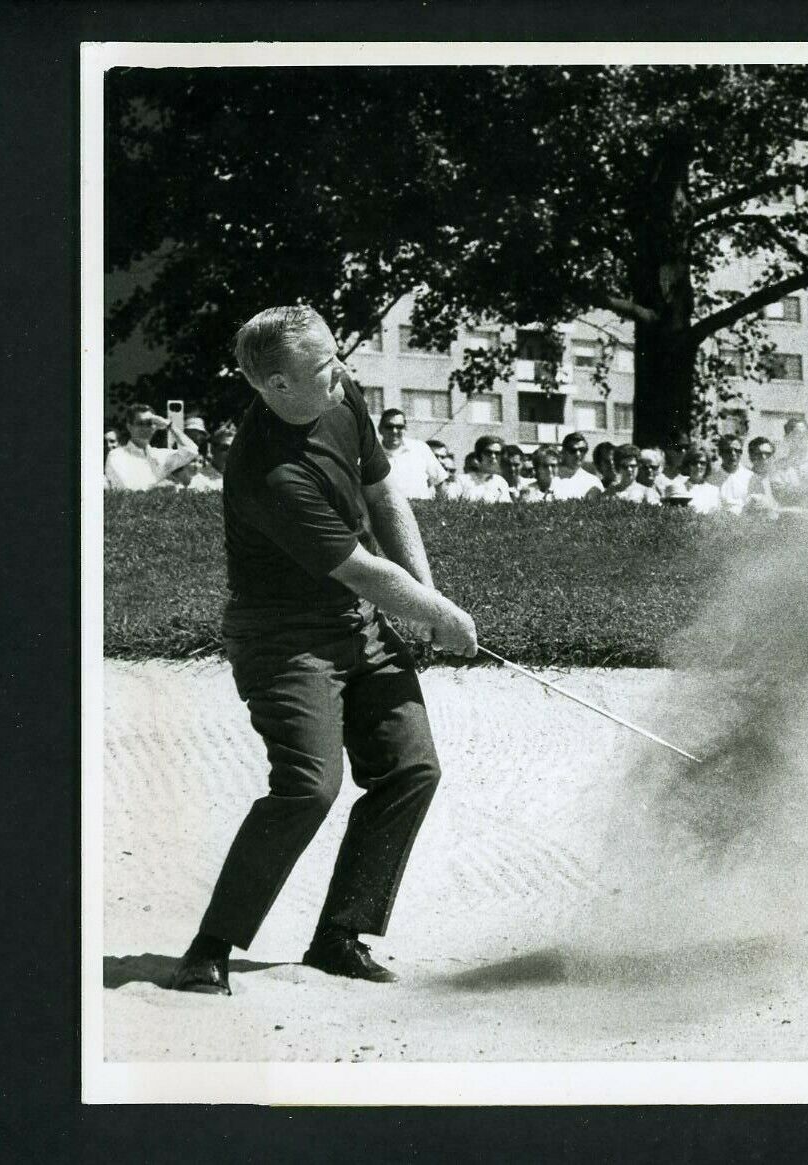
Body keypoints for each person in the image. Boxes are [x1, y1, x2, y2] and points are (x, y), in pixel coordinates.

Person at [168, 305, 477, 997]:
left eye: (337, 355)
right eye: (322, 366)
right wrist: (443, 617)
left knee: (409, 767)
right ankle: (209, 945)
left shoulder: (339, 392)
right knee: (310, 783)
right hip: (283, 640)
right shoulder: (269, 472)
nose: (341, 370)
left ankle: (340, 936)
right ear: (275, 385)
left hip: (356, 622)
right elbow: (364, 570)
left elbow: (382, 493)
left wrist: (427, 600)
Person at [105, 402, 202, 491]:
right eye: (140, 423)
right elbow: (127, 488)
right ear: (129, 426)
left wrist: (169, 426)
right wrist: (159, 486)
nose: (145, 428)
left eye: (149, 423)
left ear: (155, 427)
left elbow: (192, 451)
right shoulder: (117, 455)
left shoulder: (161, 455)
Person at [378, 408, 445, 500]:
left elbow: (440, 481)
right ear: (380, 429)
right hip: (389, 510)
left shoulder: (420, 448)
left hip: (421, 509)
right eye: (389, 427)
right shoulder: (374, 453)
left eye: (399, 427)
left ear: (405, 429)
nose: (394, 431)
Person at [443, 435, 512, 503]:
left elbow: (505, 507)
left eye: (497, 453)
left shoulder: (500, 482)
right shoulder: (461, 480)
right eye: (488, 452)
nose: (493, 456)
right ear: (479, 454)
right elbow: (451, 504)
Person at [664, 448, 721, 514]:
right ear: (688, 465)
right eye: (694, 463)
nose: (698, 466)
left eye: (702, 463)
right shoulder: (678, 487)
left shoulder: (714, 490)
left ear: (707, 466)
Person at [710, 434, 753, 516]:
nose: (733, 454)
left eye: (737, 451)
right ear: (720, 453)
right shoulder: (711, 478)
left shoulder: (751, 477)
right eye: (728, 451)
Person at [553, 432, 604, 499]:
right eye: (573, 450)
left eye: (582, 450)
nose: (578, 454)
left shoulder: (593, 481)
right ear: (563, 452)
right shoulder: (551, 478)